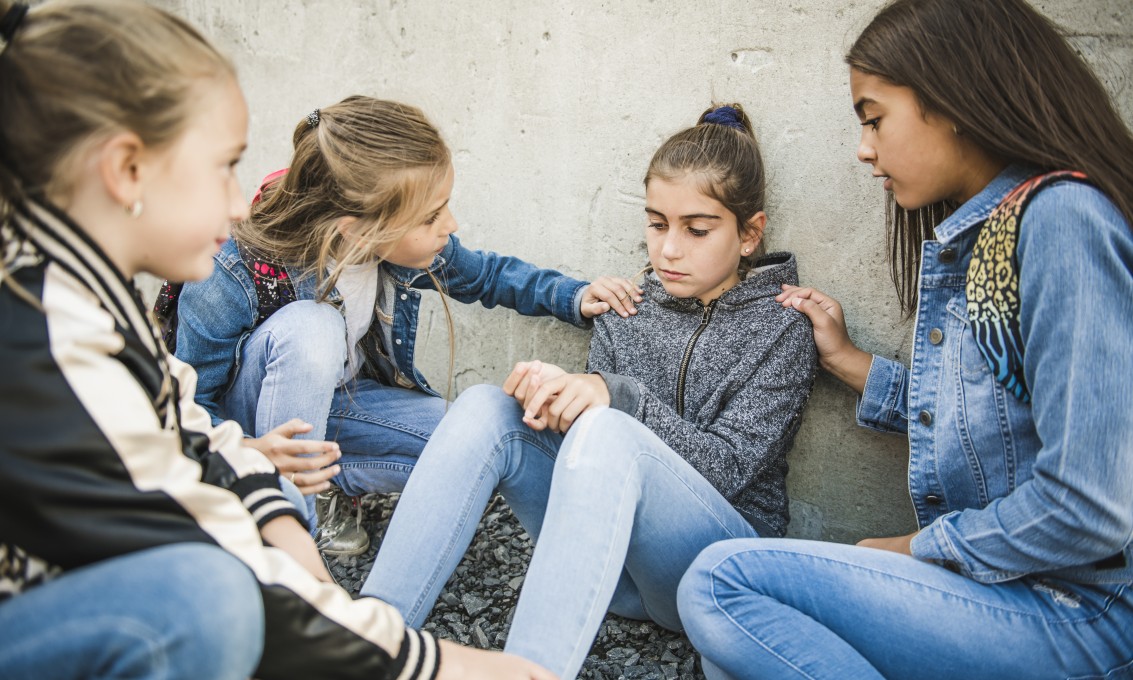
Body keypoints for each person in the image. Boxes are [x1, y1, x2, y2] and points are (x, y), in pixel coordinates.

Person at [0, 1, 556, 678]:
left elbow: (184, 436)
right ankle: (318, 501)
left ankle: (323, 495)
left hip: (331, 423)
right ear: (126, 170)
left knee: (467, 436)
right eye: (223, 166)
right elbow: (195, 500)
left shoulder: (77, 286)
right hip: (248, 452)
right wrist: (426, 661)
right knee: (210, 598)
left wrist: (275, 517)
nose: (239, 200)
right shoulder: (48, 336)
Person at [676, 0, 1133, 678]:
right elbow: (997, 417)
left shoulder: (1062, 220)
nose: (863, 148)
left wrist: (916, 548)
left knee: (721, 583)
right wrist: (850, 361)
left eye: (873, 118)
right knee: (741, 654)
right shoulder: (994, 233)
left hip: (1079, 613)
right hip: (1014, 593)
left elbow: (1089, 506)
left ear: (951, 100)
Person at [361, 103, 818, 678]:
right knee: (485, 409)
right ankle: (367, 643)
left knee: (608, 426)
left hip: (710, 573)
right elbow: (590, 453)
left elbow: (728, 469)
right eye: (656, 224)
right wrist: (550, 400)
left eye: (697, 230)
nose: (669, 249)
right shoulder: (626, 308)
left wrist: (614, 399)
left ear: (750, 234)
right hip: (614, 574)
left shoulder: (783, 328)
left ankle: (528, 671)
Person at [166, 94, 637, 555]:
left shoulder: (397, 247)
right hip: (254, 432)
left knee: (476, 440)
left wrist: (574, 296)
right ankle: (288, 524)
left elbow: (487, 276)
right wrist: (251, 452)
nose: (450, 224)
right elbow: (189, 405)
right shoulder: (232, 272)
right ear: (354, 227)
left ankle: (327, 481)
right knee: (313, 327)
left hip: (338, 408)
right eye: (432, 215)